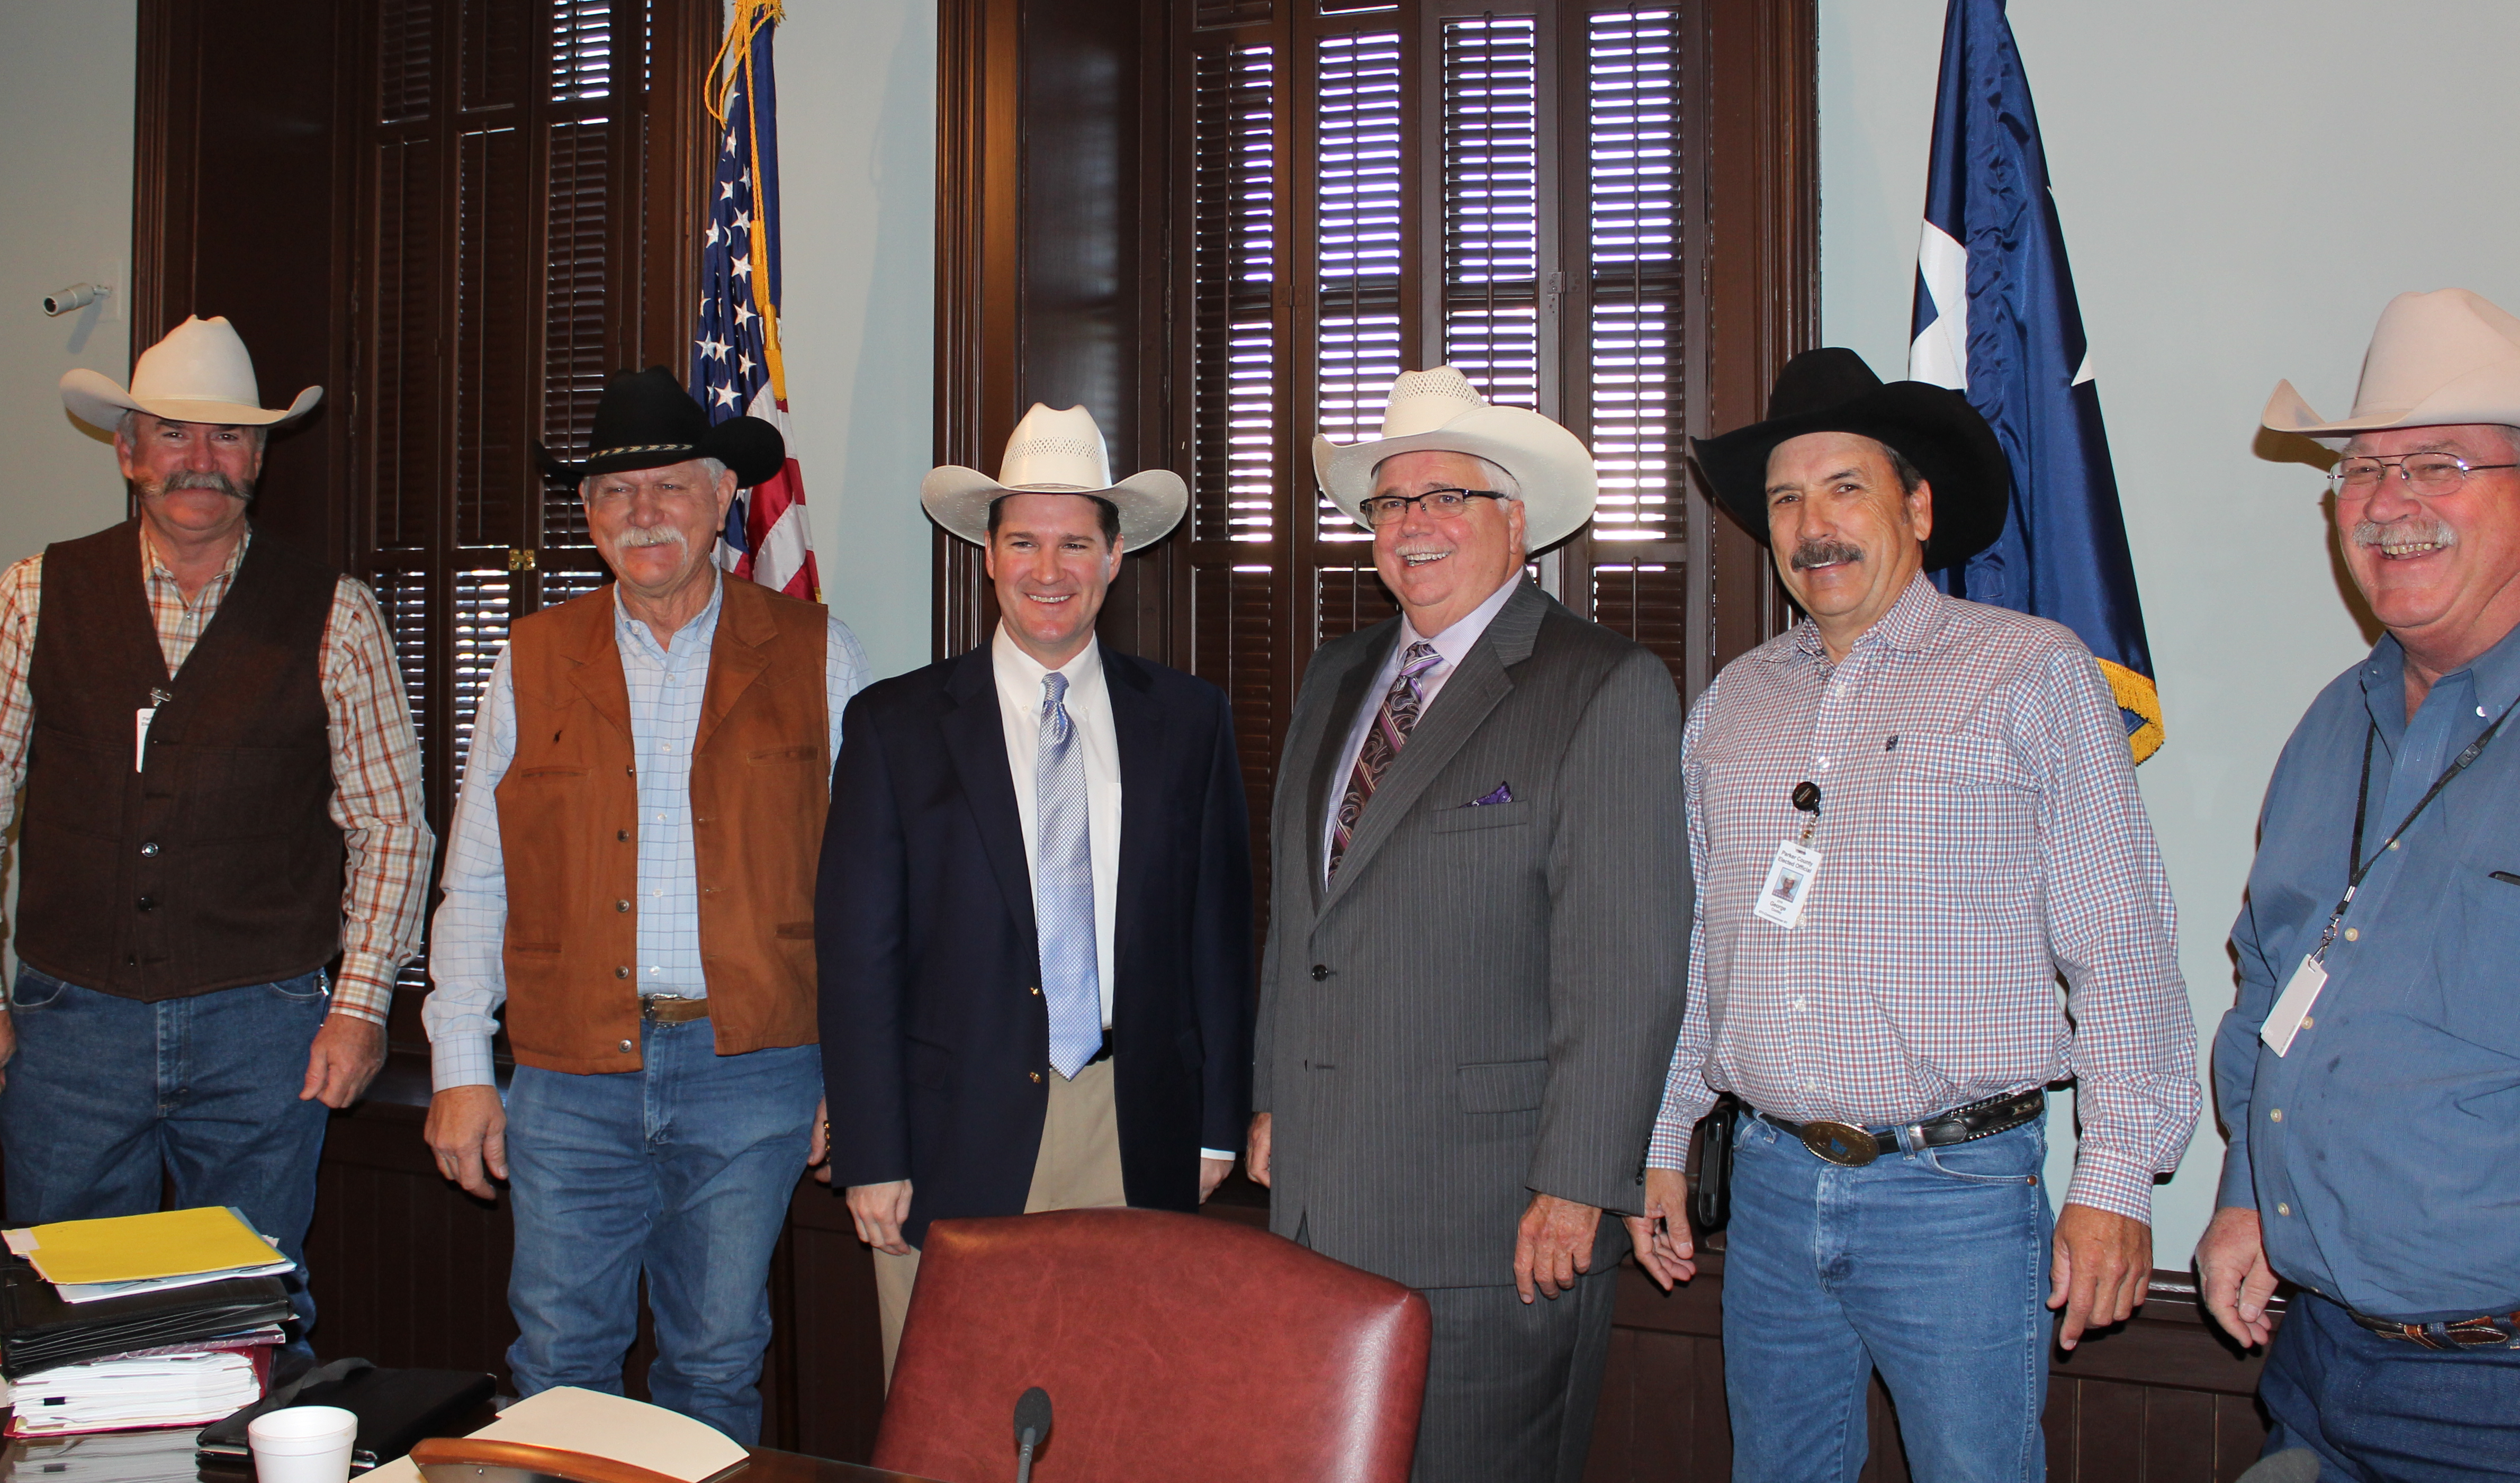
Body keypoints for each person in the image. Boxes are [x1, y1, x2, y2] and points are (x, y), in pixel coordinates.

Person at [1626, 347, 2199, 1483]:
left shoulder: (2031, 673)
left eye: (1846, 488)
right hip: (1773, 1187)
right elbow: (1709, 951)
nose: (1813, 527)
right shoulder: (1733, 705)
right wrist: (1666, 1139)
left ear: (1918, 508)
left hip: (1959, 1200)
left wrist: (2117, 1178)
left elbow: (2121, 940)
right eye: (1786, 500)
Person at [0, 316, 431, 1355]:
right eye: (174, 433)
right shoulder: (31, 596)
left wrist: (360, 1008)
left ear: (260, 457)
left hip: (266, 1027)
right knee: (63, 1318)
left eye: (229, 435)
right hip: (69, 1024)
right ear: (128, 451)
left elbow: (392, 828)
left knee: (249, 1318)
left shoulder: (337, 615)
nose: (203, 459)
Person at [1246, 367, 1691, 1483]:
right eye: (1392, 502)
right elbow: (1301, 919)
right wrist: (1273, 1095)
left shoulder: (1603, 685)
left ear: (1517, 520)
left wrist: (1579, 1182)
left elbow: (1628, 968)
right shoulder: (1335, 675)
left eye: (1448, 496)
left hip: (1494, 1223)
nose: (1415, 524)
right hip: (1317, 1206)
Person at [420, 366, 868, 1442]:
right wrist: (461, 1069)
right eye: (617, 493)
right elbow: (477, 875)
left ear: (723, 498)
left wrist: (860, 1079)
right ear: (588, 516)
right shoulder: (529, 660)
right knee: (557, 1365)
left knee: (715, 1363)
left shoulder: (819, 652)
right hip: (570, 1076)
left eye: (670, 485)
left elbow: (867, 893)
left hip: (753, 1074)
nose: (644, 512)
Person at [816, 403, 1252, 1382]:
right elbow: (856, 963)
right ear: (988, 554)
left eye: (1074, 544)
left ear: (1114, 556)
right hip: (949, 1137)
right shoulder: (894, 727)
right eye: (1023, 542)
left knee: (1119, 1409)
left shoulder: (1190, 721)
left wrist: (1218, 1122)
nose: (1048, 570)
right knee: (950, 1416)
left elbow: (1220, 939)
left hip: (1131, 1126)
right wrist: (872, 1151)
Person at [2195, 288, 2520, 1481]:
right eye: (2366, 471)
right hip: (2317, 1365)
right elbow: (2274, 984)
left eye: (2440, 465)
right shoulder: (2336, 724)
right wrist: (2248, 1195)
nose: (2391, 502)